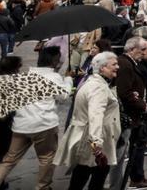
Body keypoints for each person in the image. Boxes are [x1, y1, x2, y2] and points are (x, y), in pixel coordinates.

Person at [0, 46, 70, 190]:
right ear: (54, 61)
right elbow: (64, 96)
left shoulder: (25, 76)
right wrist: (68, 79)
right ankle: (42, 187)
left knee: (8, 161)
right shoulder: (54, 77)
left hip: (21, 125)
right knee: (46, 158)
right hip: (44, 125)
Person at [55, 50, 121, 190]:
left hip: (88, 136)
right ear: (102, 68)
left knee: (83, 173)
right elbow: (96, 115)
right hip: (93, 138)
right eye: (114, 64)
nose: (117, 67)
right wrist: (97, 145)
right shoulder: (98, 88)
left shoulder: (92, 81)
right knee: (91, 174)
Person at [116, 37, 147, 188]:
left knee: (139, 144)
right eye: (142, 50)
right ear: (132, 49)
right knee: (134, 147)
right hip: (131, 114)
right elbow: (124, 92)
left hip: (136, 113)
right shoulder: (125, 64)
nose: (143, 53)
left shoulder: (132, 63)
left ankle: (138, 177)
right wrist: (143, 105)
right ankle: (135, 179)